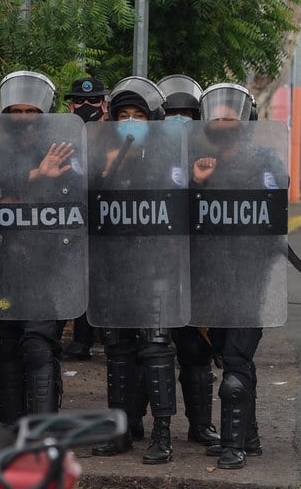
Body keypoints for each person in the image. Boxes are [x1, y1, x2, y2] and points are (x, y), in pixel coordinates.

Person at [190, 82, 287, 470]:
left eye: (231, 117)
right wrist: (197, 184)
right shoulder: (198, 162)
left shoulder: (264, 159)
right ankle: (250, 435)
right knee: (229, 355)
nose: (223, 123)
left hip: (251, 276)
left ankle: (233, 446)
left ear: (246, 121)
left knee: (235, 358)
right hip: (212, 277)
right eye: (216, 117)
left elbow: (278, 194)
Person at [90, 77, 180, 465]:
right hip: (115, 269)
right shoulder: (101, 157)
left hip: (156, 269)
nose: (130, 122)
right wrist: (106, 171)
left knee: (157, 348)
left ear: (152, 120)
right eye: (123, 115)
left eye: (138, 116)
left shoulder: (168, 157)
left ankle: (162, 435)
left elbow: (178, 199)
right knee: (118, 350)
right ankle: (121, 429)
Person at [0, 71, 77, 427]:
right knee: (5, 343)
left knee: (38, 344)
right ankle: (9, 423)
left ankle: (42, 428)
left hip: (46, 264)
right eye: (16, 110)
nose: (22, 117)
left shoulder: (65, 148)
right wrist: (34, 178)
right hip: (2, 264)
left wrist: (22, 188)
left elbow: (77, 193)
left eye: (30, 111)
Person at [157, 74, 219, 449]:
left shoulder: (211, 152)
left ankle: (201, 426)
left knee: (197, 350)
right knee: (155, 348)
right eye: (172, 113)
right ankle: (149, 429)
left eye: (187, 113)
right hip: (157, 265)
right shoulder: (146, 152)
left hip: (199, 266)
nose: (179, 119)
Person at [61, 77, 109, 362]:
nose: (87, 105)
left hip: (111, 217)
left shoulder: (115, 136)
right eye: (80, 100)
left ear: (104, 105)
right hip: (77, 218)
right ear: (71, 106)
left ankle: (110, 333)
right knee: (80, 277)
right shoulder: (64, 139)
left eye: (93, 101)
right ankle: (82, 340)